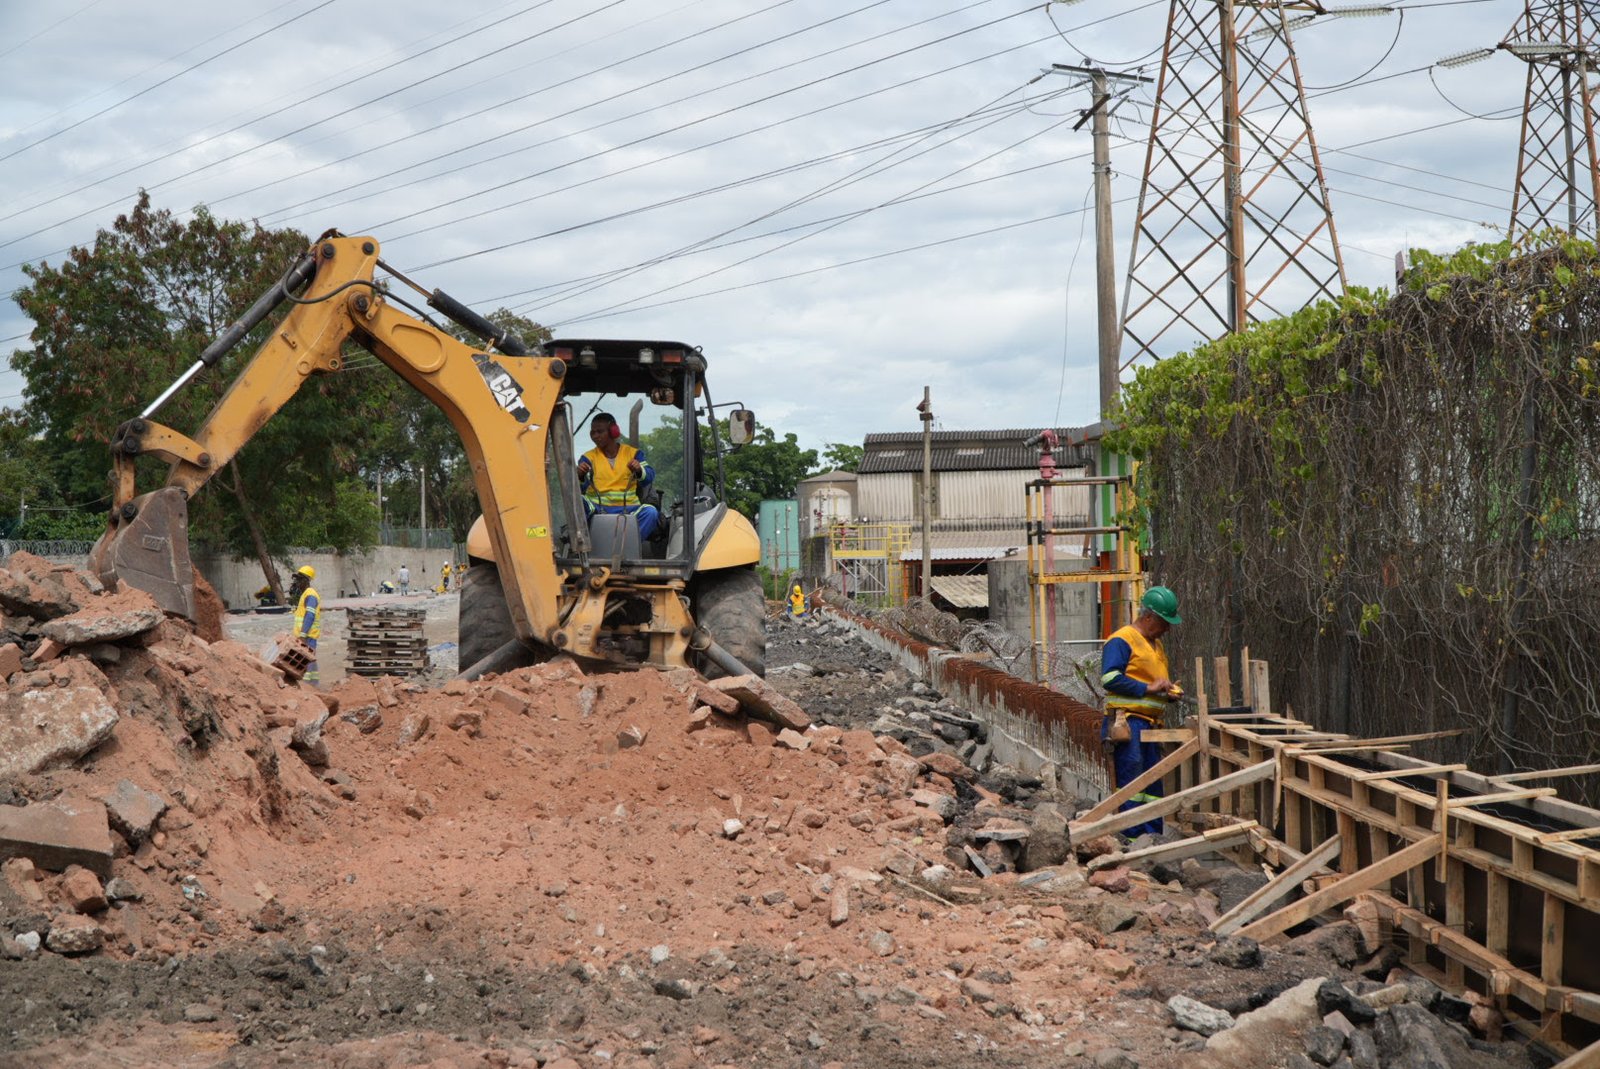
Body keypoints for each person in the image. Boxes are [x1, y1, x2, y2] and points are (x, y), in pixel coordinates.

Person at [1099, 585, 1184, 837]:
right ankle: (1132, 835)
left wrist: (1167, 693)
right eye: (1163, 622)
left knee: (1152, 782)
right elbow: (1110, 678)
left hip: (1151, 724)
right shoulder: (1122, 639)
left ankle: (1152, 835)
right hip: (1129, 722)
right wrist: (1148, 687)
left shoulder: (1155, 645)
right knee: (1133, 781)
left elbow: (1153, 684)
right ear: (1148, 617)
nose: (1167, 629)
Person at [577, 412, 660, 540]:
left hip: (629, 510)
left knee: (651, 512)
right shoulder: (588, 457)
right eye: (592, 432)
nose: (595, 436)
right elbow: (580, 486)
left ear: (613, 431)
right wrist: (580, 475)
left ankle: (627, 545)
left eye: (599, 432)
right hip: (597, 509)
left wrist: (639, 470)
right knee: (578, 503)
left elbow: (648, 476)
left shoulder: (633, 454)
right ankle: (584, 545)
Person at [289, 565, 322, 686]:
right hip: (305, 637)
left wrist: (302, 635)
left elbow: (310, 616)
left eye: (299, 579)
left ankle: (310, 688)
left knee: (307, 663)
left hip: (307, 637)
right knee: (310, 663)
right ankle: (314, 686)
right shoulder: (306, 594)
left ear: (306, 580)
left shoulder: (310, 595)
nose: (297, 583)